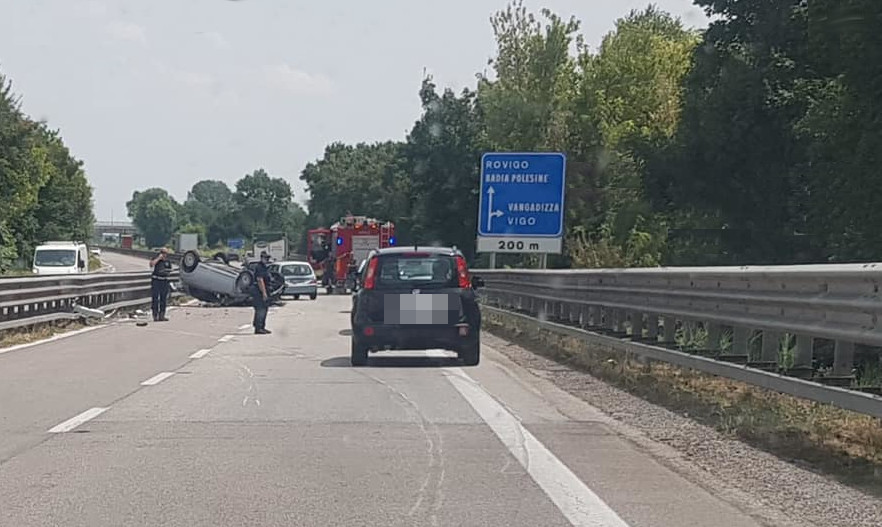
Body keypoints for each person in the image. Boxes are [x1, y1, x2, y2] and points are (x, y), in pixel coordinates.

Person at [149, 248, 172, 322]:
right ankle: (155, 315)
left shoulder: (168, 261)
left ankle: (162, 315)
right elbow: (151, 264)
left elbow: (169, 270)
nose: (164, 254)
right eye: (162, 253)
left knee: (163, 298)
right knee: (155, 298)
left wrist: (167, 272)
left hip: (164, 280)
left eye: (165, 253)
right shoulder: (156, 259)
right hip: (156, 280)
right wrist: (158, 258)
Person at [252, 250, 272, 334]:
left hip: (264, 290)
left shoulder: (264, 267)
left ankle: (262, 327)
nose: (267, 260)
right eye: (265, 258)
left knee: (264, 309)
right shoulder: (259, 267)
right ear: (261, 258)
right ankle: (258, 328)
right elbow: (260, 280)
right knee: (261, 309)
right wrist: (264, 293)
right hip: (259, 292)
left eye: (267, 258)